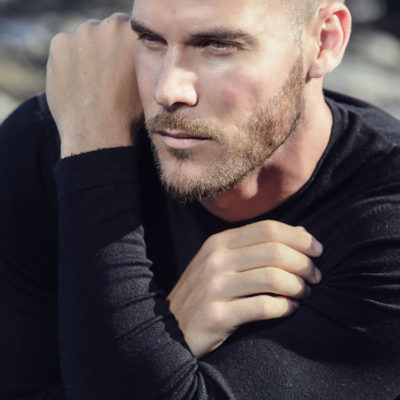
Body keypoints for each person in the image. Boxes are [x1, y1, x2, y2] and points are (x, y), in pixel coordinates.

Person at [1, 0, 400, 398]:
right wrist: (165, 329)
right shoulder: (59, 145)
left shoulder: (385, 219)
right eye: (150, 40)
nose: (167, 90)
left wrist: (154, 341)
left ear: (324, 41)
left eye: (217, 45)